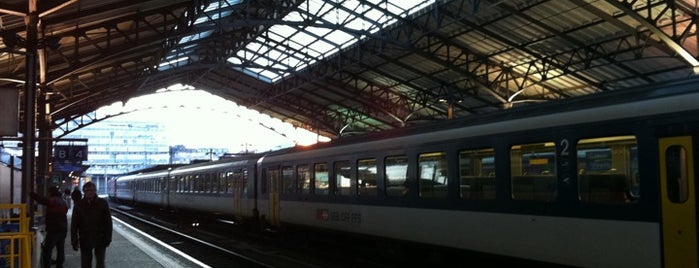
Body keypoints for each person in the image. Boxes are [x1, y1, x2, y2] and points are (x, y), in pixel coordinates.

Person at [71, 182, 113, 268]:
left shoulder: (103, 203)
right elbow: (74, 224)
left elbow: (108, 222)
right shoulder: (79, 205)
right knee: (86, 263)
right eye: (87, 190)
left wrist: (108, 237)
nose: (89, 192)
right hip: (85, 237)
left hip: (100, 238)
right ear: (84, 191)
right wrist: (74, 240)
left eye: (92, 190)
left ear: (95, 191)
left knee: (100, 263)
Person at [29, 186, 68, 268]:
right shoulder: (63, 201)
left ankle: (47, 266)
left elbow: (43, 200)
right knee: (60, 248)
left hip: (54, 230)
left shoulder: (53, 200)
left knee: (47, 250)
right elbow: (65, 210)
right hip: (63, 229)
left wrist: (31, 194)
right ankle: (59, 265)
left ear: (51, 192)